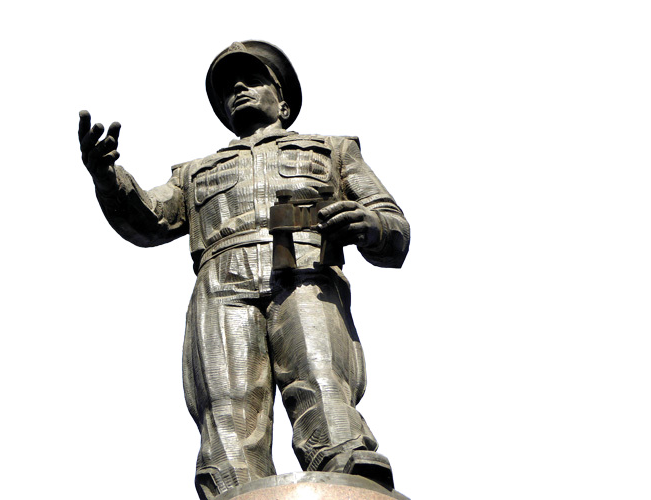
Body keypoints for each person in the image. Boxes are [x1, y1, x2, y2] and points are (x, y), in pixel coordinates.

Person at [78, 40, 410, 500]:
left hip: (306, 273)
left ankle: (344, 464)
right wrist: (106, 177)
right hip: (222, 283)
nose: (237, 88)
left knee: (320, 376)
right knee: (228, 403)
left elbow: (393, 225)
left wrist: (371, 224)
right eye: (228, 88)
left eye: (252, 80)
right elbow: (149, 219)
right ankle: (234, 489)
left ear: (284, 102)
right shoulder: (193, 172)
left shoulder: (333, 151)